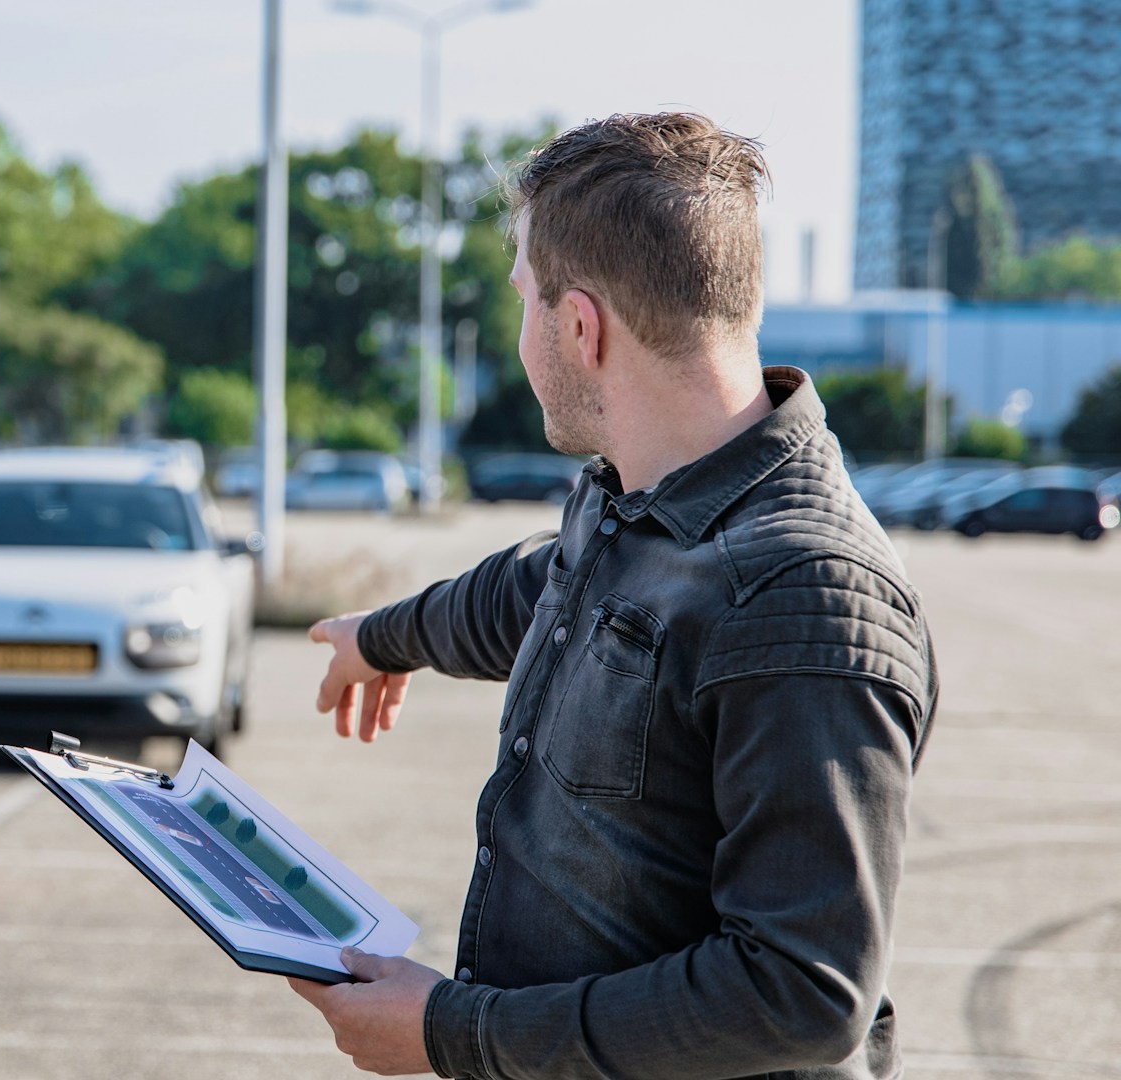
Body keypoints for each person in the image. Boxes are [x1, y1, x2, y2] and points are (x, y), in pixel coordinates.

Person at [293, 112, 937, 1079]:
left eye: (524, 302)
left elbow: (802, 992)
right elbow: (540, 590)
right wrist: (386, 636)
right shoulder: (636, 498)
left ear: (580, 326)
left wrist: (454, 1032)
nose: (521, 335)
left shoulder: (806, 598)